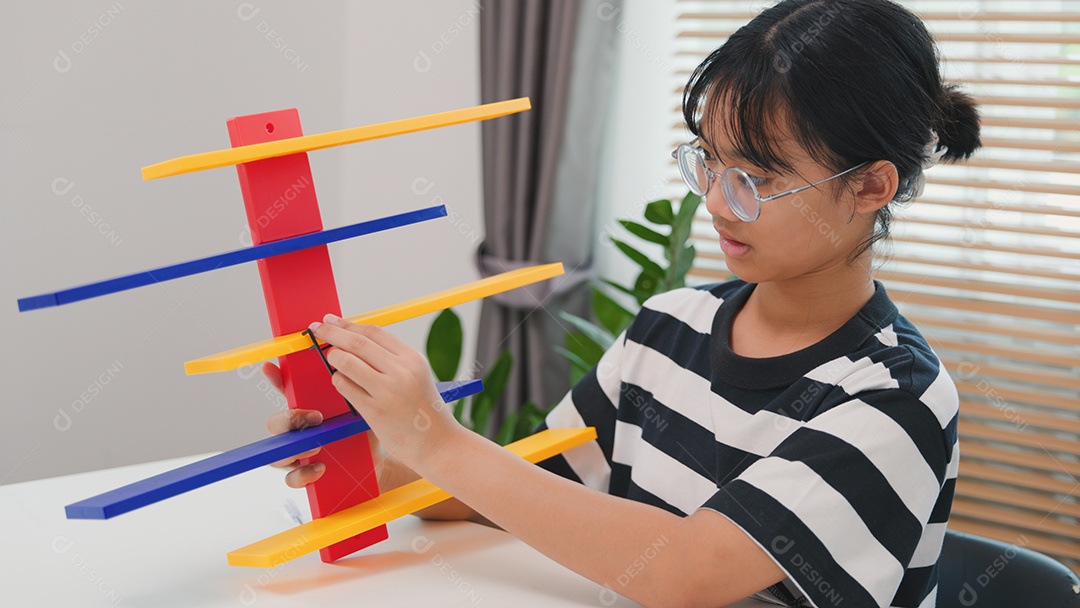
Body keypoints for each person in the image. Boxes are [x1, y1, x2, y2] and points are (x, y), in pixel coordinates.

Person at [264, 0, 978, 605]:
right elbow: (526, 493)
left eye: (755, 179)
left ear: (869, 188)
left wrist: (438, 439)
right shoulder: (669, 327)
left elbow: (689, 569)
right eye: (709, 160)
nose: (717, 204)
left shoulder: (894, 397)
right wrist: (371, 452)